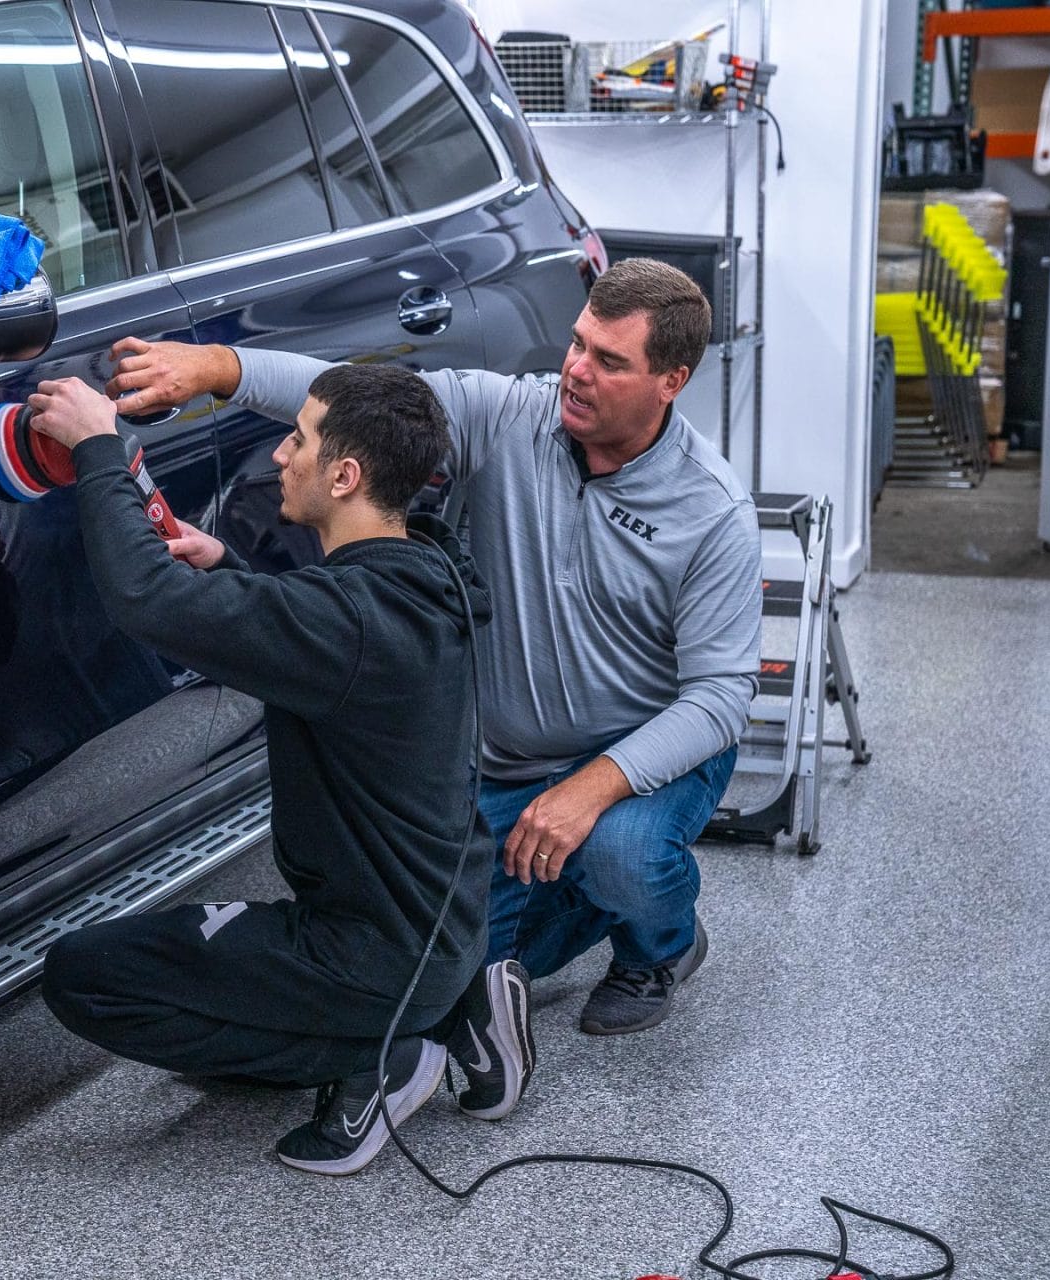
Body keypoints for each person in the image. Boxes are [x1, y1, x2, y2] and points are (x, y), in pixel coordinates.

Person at [100, 259, 762, 1099]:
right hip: (507, 759)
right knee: (434, 968)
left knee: (622, 852)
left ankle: (659, 947)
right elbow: (359, 403)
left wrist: (591, 789)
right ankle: (573, 894)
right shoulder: (514, 416)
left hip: (636, 755)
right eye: (577, 343)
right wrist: (217, 370)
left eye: (610, 361)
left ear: (672, 380)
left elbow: (720, 697)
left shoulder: (711, 513)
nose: (576, 370)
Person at [31, 363, 509, 1176]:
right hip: (446, 925)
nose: (281, 455)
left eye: (300, 438)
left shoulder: (346, 618)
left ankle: (377, 1054)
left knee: (82, 976)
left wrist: (100, 449)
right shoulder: (425, 574)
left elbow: (145, 600)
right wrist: (230, 574)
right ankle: (454, 1009)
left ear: (346, 475)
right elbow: (332, 650)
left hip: (368, 953)